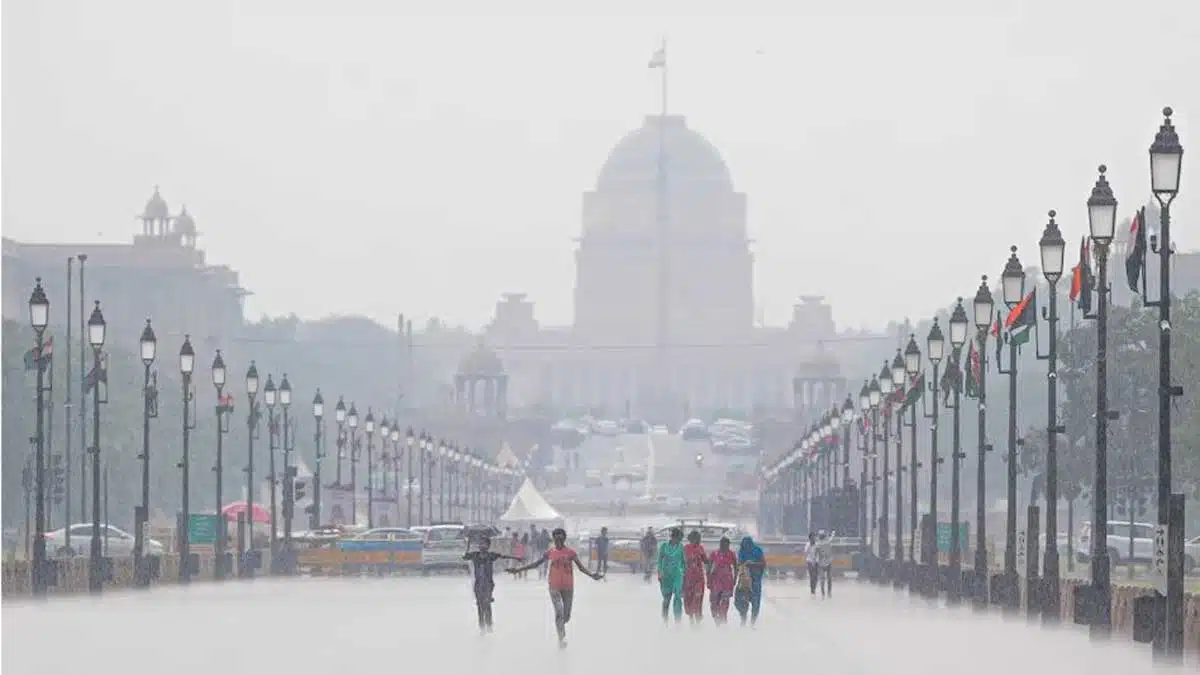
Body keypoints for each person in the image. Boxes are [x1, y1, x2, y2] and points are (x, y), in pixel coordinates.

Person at [508, 527, 603, 646]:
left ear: (564, 539)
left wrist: (592, 575)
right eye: (556, 538)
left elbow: (581, 568)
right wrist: (518, 570)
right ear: (553, 539)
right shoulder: (550, 553)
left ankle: (560, 628)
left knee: (566, 616)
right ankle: (561, 638)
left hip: (568, 587)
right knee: (559, 611)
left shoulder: (570, 553)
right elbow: (536, 564)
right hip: (554, 587)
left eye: (560, 538)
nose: (558, 541)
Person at [463, 536, 521, 632]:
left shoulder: (491, 555)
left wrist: (517, 558)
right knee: (480, 606)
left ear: (488, 546)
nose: (482, 545)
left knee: (487, 604)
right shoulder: (474, 555)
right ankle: (482, 627)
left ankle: (489, 626)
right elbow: (464, 557)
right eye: (480, 544)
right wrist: (468, 545)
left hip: (488, 584)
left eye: (484, 544)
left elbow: (503, 556)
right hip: (478, 584)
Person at [733, 535, 765, 626]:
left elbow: (763, 564)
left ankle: (752, 623)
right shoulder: (741, 551)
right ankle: (743, 619)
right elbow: (739, 564)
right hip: (744, 582)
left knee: (755, 603)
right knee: (740, 602)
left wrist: (752, 564)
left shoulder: (758, 551)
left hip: (755, 581)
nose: (746, 546)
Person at [657, 527, 685, 623]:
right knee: (666, 599)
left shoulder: (681, 547)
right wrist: (660, 572)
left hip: (677, 575)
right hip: (666, 575)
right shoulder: (664, 546)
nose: (680, 540)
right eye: (679, 538)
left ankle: (678, 620)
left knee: (677, 597)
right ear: (674, 537)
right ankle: (665, 620)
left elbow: (684, 562)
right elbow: (659, 560)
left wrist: (684, 573)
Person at [708, 537, 737, 624]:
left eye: (726, 545)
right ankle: (716, 618)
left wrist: (735, 578)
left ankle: (723, 620)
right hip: (716, 580)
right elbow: (708, 567)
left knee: (725, 601)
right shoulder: (714, 554)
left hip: (727, 581)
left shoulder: (731, 554)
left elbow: (736, 567)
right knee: (714, 602)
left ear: (728, 545)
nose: (724, 547)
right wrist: (708, 580)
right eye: (722, 544)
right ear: (720, 544)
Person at [682, 530, 708, 622]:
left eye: (700, 538)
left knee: (697, 598)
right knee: (689, 598)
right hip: (688, 578)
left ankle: (697, 619)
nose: (699, 540)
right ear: (693, 539)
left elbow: (706, 561)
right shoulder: (685, 548)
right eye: (698, 538)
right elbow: (683, 562)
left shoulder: (701, 548)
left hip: (699, 579)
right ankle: (691, 619)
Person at [815, 530, 834, 597]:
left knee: (822, 579)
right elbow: (831, 538)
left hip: (821, 563)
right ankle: (829, 592)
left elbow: (816, 554)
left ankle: (823, 594)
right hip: (828, 562)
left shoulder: (818, 544)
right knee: (829, 578)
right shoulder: (828, 542)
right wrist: (832, 533)